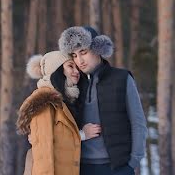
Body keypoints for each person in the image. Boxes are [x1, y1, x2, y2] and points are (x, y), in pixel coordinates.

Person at [58, 26, 146, 175]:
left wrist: (133, 162)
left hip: (117, 167)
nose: (79, 60)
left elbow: (138, 122)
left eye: (83, 52)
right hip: (80, 167)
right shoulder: (73, 85)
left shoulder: (122, 78)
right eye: (74, 55)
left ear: (97, 49)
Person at [18, 50, 103, 175]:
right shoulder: (44, 102)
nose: (76, 71)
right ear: (56, 70)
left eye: (76, 67)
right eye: (70, 66)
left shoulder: (65, 101)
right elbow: (44, 152)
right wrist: (82, 134)